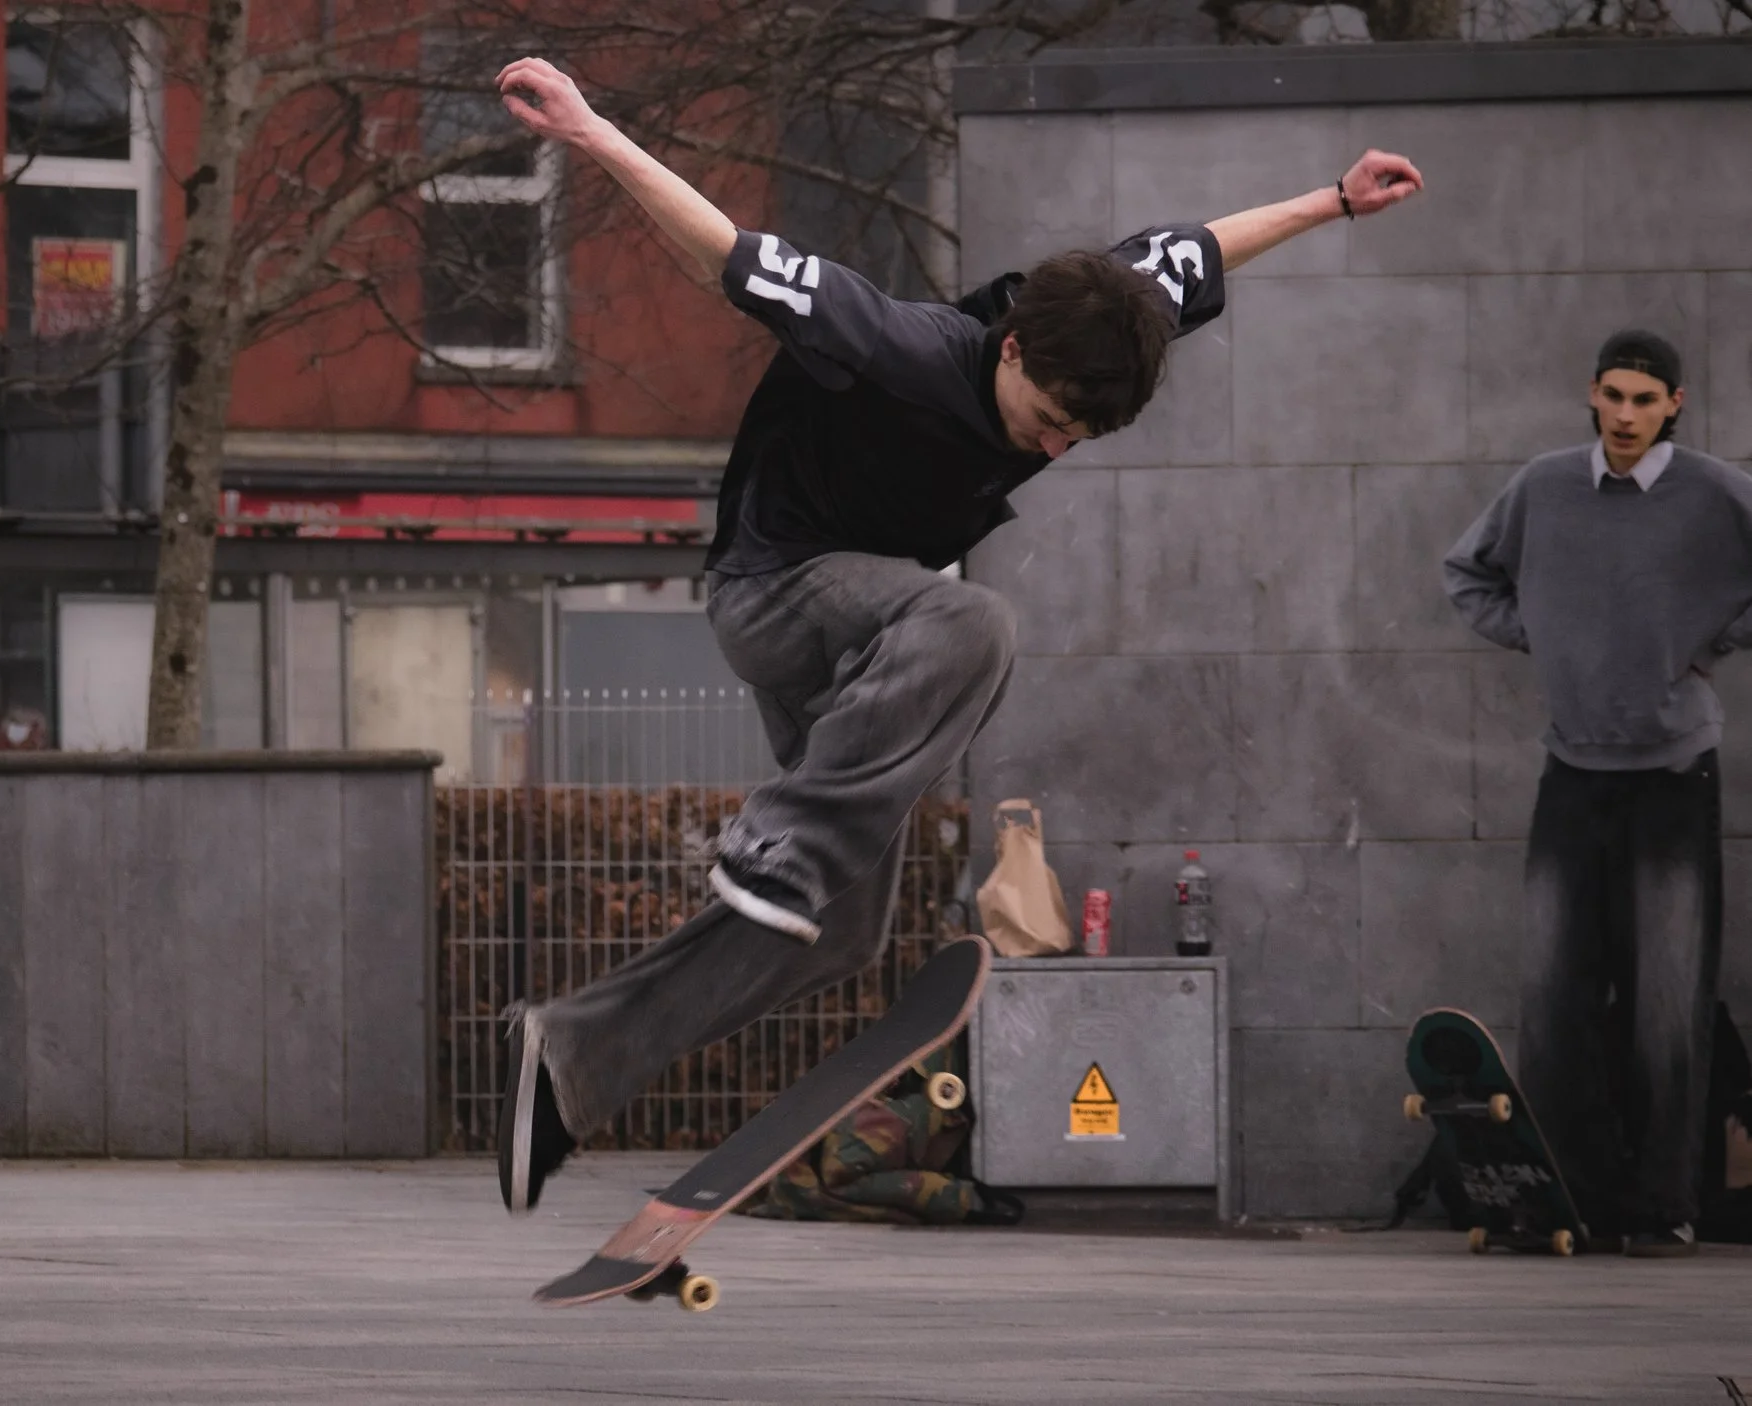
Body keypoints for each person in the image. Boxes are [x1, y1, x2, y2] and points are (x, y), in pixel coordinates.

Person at [488, 55, 1424, 1213]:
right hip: (776, 597)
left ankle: (571, 1059)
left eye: (1080, 440)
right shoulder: (894, 346)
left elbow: (1193, 251)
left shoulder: (1100, 320)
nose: (1051, 449)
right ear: (1013, 351)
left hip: (866, 651)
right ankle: (778, 839)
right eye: (1044, 422)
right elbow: (723, 254)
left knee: (832, 931)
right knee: (975, 616)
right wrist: (590, 129)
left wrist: (1331, 200)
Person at [1444, 331, 1751, 1256]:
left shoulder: (1710, 489)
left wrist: (1715, 642)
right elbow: (1467, 573)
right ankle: (1567, 1197)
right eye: (1612, 396)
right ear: (1592, 394)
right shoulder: (1544, 487)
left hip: (1671, 773)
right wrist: (1546, 636)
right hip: (1571, 770)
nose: (1624, 415)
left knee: (1667, 999)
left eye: (1644, 400)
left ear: (1674, 405)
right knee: (1557, 993)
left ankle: (1661, 1206)